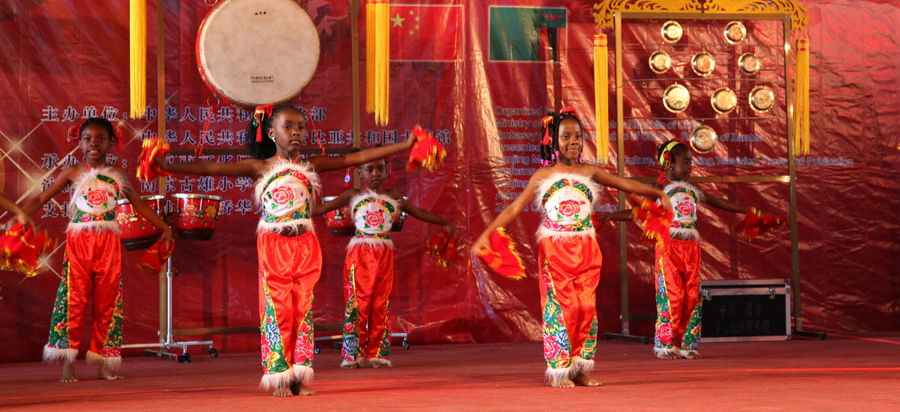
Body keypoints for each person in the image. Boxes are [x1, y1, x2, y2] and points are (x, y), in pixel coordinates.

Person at [145, 103, 420, 397]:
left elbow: (359, 157)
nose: (296, 132)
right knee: (277, 310)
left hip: (306, 244)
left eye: (300, 127)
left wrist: (405, 144)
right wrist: (167, 165)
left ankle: (298, 375)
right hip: (274, 244)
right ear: (272, 133)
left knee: (303, 309)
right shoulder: (261, 167)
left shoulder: (312, 165)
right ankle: (278, 375)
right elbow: (210, 167)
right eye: (288, 127)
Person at [471, 108, 671, 388]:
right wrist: (486, 235)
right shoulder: (543, 175)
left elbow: (625, 184)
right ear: (553, 141)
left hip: (587, 248)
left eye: (578, 136)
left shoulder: (590, 171)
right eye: (566, 136)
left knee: (586, 306)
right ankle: (560, 369)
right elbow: (515, 207)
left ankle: (579, 367)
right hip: (556, 250)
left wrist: (658, 192)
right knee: (564, 308)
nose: (573, 141)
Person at [20, 117, 172, 382]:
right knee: (74, 300)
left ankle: (104, 363)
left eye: (100, 139)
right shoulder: (73, 172)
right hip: (79, 242)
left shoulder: (118, 174)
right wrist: (18, 215)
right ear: (80, 142)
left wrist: (164, 227)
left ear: (111, 143)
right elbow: (43, 197)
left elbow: (139, 205)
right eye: (88, 139)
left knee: (108, 303)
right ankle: (68, 362)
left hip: (109, 243)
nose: (94, 144)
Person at [605, 139, 750, 359]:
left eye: (691, 161)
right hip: (669, 247)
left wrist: (746, 210)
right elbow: (637, 212)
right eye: (686, 161)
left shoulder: (693, 191)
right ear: (670, 165)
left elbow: (719, 202)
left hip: (691, 248)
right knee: (671, 295)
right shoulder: (662, 192)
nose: (691, 165)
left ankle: (687, 344)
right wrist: (610, 216)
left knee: (692, 295)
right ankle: (666, 344)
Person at [313, 155, 455, 369]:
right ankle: (353, 354)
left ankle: (377, 353)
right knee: (356, 304)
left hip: (384, 253)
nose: (375, 174)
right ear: (359, 173)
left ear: (387, 171)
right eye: (369, 170)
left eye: (379, 169)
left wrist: (444, 222)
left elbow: (418, 212)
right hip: (359, 254)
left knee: (380, 303)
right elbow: (320, 210)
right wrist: (291, 212)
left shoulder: (393, 196)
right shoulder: (353, 194)